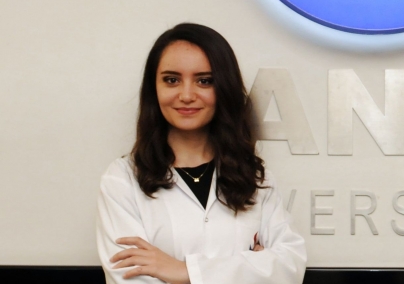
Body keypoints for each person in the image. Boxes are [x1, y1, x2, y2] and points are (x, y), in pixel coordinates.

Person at [96, 23, 306, 284]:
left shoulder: (254, 177)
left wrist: (184, 271)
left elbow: (290, 266)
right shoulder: (122, 180)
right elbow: (129, 279)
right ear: (154, 88)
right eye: (172, 80)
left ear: (224, 88)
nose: (186, 95)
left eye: (204, 81)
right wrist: (248, 270)